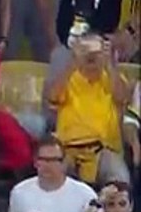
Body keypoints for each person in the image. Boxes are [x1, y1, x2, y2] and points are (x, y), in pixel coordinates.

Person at [48, 30, 133, 184]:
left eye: (96, 51)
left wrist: (109, 63)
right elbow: (53, 98)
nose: (91, 56)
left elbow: (122, 97)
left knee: (121, 180)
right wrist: (72, 63)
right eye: (86, 50)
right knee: (54, 175)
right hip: (68, 149)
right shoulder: (68, 78)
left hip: (104, 149)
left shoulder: (112, 78)